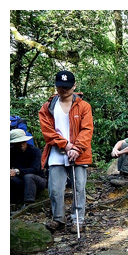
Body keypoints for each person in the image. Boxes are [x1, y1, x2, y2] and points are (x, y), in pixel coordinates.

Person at [39, 70, 93, 234]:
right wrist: (65, 145)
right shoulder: (48, 107)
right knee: (55, 188)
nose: (63, 90)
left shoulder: (83, 106)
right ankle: (58, 219)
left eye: (67, 87)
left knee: (79, 187)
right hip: (56, 153)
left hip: (79, 153)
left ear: (74, 86)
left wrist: (76, 148)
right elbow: (47, 131)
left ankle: (78, 219)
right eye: (60, 87)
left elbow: (87, 129)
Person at [10, 129, 47, 206]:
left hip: (37, 180)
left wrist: (17, 171)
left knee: (29, 177)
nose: (21, 145)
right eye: (17, 143)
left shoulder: (35, 151)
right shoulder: (11, 152)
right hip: (20, 181)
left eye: (22, 143)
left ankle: (28, 203)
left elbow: (35, 170)